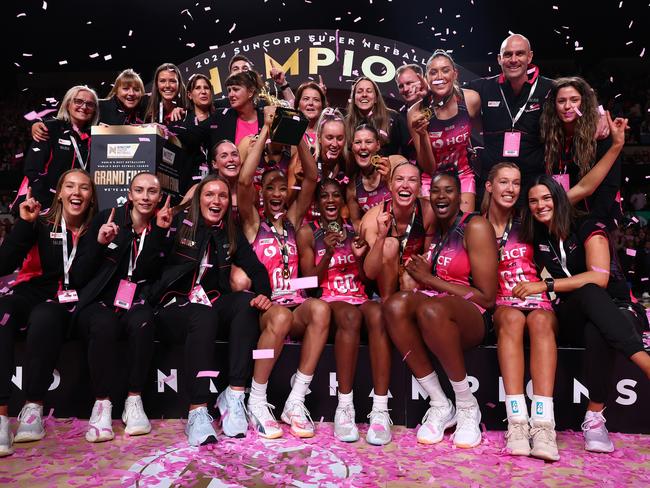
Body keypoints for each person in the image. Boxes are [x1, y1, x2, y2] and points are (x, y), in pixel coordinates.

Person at [520, 175, 650, 453]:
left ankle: (594, 418)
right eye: (533, 200)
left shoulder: (588, 226)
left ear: (559, 198)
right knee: (588, 295)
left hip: (618, 307)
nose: (540, 205)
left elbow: (600, 278)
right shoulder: (537, 236)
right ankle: (645, 363)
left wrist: (545, 284)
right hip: (572, 312)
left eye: (546, 198)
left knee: (596, 323)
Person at [146, 174, 272, 446]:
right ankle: (198, 409)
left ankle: (235, 394)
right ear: (198, 199)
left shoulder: (230, 232)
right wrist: (158, 232)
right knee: (202, 313)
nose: (216, 200)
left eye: (222, 196)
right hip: (173, 306)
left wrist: (264, 294)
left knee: (244, 303)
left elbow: (256, 268)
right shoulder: (177, 223)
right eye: (209, 195)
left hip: (211, 304)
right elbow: (148, 268)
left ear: (229, 203)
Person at [383, 172, 498, 448]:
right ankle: (440, 402)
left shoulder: (476, 226)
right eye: (435, 192)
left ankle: (467, 406)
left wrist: (429, 279)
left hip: (474, 315)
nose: (441, 196)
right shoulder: (439, 232)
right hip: (438, 309)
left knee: (432, 309)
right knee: (395, 305)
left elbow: (487, 298)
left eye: (448, 191)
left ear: (461, 196)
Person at [238, 107, 331, 439]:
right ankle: (257, 399)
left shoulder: (292, 219)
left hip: (296, 303)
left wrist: (301, 134)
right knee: (278, 319)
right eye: (271, 188)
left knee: (321, 308)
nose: (277, 193)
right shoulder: (252, 224)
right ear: (262, 194)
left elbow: (311, 177)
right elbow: (244, 179)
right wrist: (265, 129)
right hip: (267, 308)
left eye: (282, 188)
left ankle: (295, 398)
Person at [0, 169, 98, 457]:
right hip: (31, 292)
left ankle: (33, 407)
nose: (76, 193)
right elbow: (4, 265)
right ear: (60, 192)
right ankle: (2, 416)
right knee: (1, 311)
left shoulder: (98, 229)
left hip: (66, 302)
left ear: (91, 196)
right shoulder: (39, 222)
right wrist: (23, 224)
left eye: (83, 188)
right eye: (69, 186)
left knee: (45, 315)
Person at [296, 178, 393, 445]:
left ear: (342, 202)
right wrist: (327, 253)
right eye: (324, 196)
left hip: (358, 296)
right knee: (350, 316)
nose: (330, 200)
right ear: (317, 203)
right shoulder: (308, 232)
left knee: (380, 314)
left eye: (335, 196)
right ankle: (345, 407)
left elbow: (366, 278)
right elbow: (306, 284)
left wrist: (360, 256)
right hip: (329, 298)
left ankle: (381, 410)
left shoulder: (355, 230)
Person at [74, 173, 169, 442]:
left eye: (152, 192)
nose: (146, 197)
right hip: (100, 301)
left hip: (136, 301)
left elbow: (153, 273)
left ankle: (133, 401)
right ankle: (102, 404)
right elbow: (80, 273)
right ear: (129, 195)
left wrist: (159, 234)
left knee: (143, 321)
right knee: (103, 324)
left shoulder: (162, 226)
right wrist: (99, 244)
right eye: (139, 190)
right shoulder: (108, 218)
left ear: (159, 197)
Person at [482, 162, 559, 461]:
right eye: (503, 182)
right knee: (512, 319)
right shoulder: (477, 225)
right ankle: (516, 422)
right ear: (489, 187)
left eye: (516, 183)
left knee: (540, 320)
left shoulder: (529, 220)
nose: (510, 189)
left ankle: (542, 425)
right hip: (502, 301)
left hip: (538, 298)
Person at [467, 34, 554, 201]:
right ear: (499, 59)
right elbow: (451, 93)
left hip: (533, 183)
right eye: (507, 55)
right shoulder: (483, 87)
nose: (513, 59)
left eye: (520, 54)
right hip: (493, 183)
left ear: (530, 57)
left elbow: (580, 94)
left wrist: (598, 115)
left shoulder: (549, 88)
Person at [542, 77, 627, 226]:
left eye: (574, 100)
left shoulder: (601, 134)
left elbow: (609, 186)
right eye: (561, 101)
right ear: (554, 105)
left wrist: (593, 224)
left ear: (584, 103)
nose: (567, 106)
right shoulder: (549, 136)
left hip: (594, 219)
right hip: (560, 219)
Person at [409, 50, 482, 211]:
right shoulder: (416, 113)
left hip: (463, 174)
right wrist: (422, 135)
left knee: (463, 228)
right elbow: (427, 167)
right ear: (427, 78)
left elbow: (482, 131)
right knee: (431, 234)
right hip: (432, 178)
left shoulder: (471, 100)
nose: (439, 76)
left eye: (445, 70)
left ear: (455, 74)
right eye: (433, 72)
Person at [360, 162, 435, 300]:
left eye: (412, 180)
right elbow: (370, 272)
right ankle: (387, 304)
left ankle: (406, 310)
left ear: (420, 188)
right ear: (390, 185)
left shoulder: (428, 212)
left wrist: (412, 268)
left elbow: (428, 255)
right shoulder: (372, 218)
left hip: (412, 277)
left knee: (410, 277)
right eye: (399, 179)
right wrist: (381, 237)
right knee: (389, 245)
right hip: (379, 282)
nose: (405, 185)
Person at [21, 86, 99, 209]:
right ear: (68, 104)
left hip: (79, 205)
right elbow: (33, 169)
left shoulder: (95, 136)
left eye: (90, 104)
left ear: (95, 110)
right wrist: (46, 203)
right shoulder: (49, 128)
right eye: (78, 101)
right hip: (48, 203)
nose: (84, 107)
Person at [31, 69, 147, 141]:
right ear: (116, 90)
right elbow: (64, 116)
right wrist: (37, 123)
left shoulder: (146, 112)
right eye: (125, 89)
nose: (131, 93)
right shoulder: (99, 106)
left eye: (136, 89)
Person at [345, 77, 408, 157]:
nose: (364, 95)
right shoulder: (346, 122)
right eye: (359, 91)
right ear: (354, 99)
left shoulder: (394, 118)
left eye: (369, 91)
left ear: (376, 98)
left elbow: (407, 152)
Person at [346, 124, 392, 229]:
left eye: (368, 142)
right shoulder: (352, 186)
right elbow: (356, 222)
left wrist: (389, 180)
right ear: (352, 147)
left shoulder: (394, 164)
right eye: (358, 142)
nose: (363, 147)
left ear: (378, 145)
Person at [294, 81, 327, 148]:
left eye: (316, 100)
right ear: (298, 105)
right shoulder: (290, 132)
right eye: (306, 99)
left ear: (322, 106)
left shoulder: (328, 135)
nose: (311, 103)